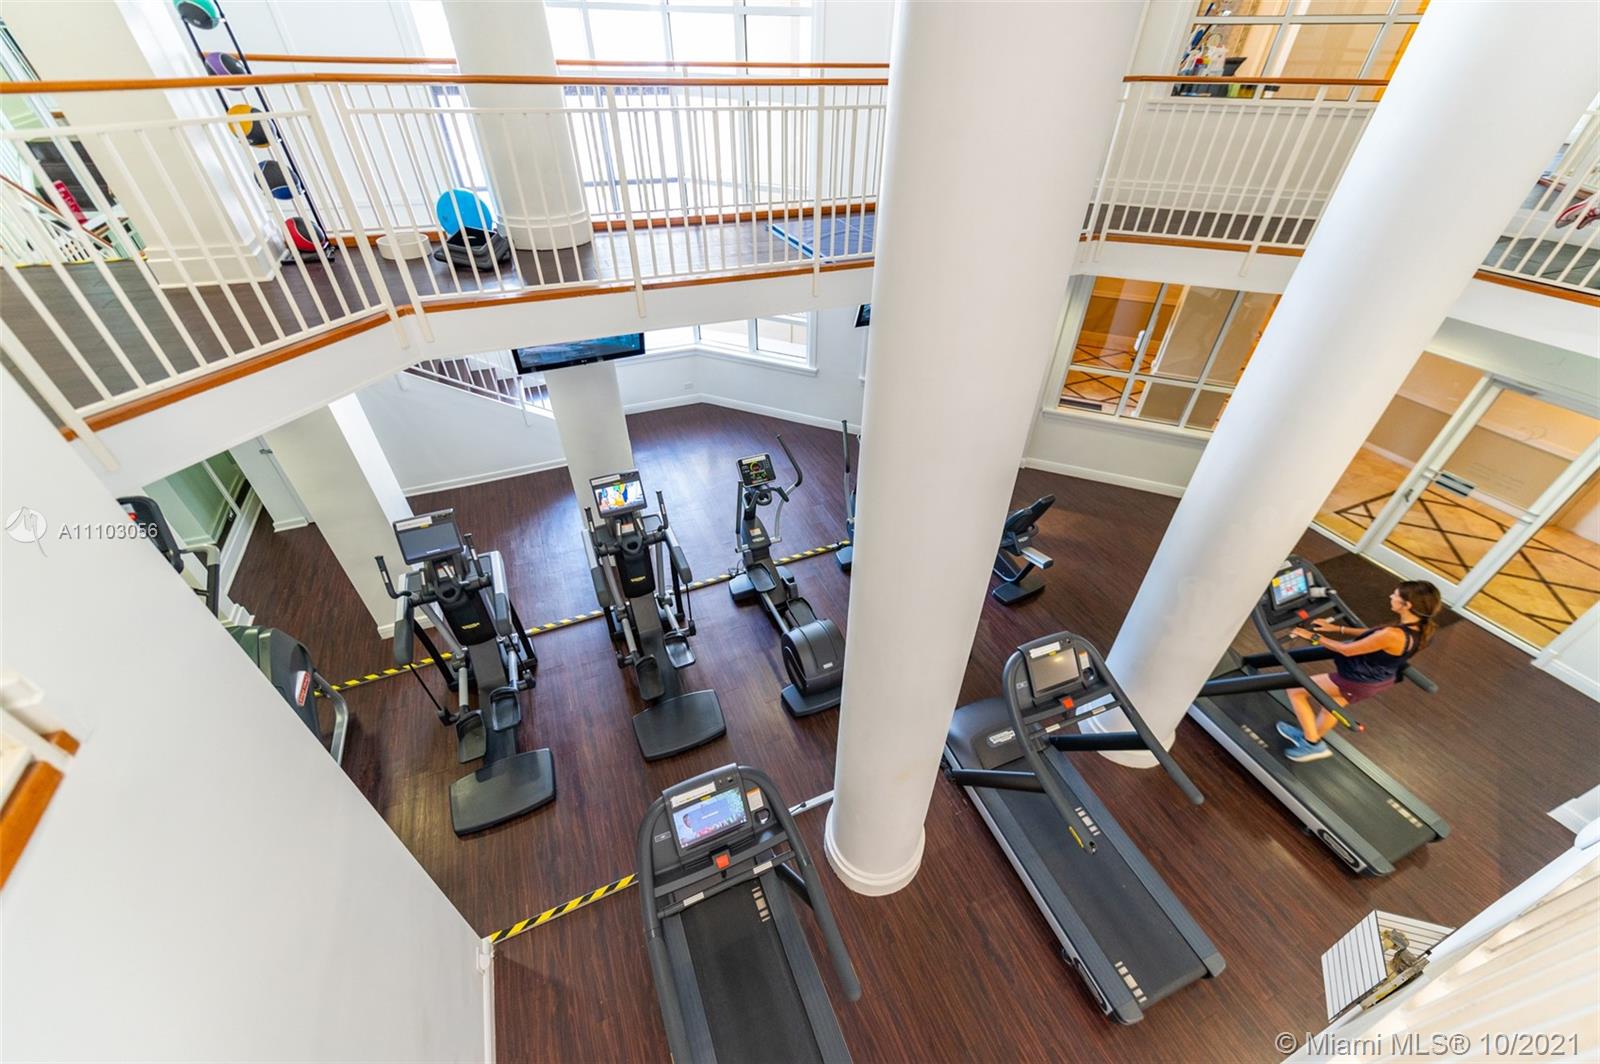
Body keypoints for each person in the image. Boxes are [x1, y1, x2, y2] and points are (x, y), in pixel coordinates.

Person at [1277, 580, 1442, 763]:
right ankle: (1311, 737)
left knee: (1296, 691)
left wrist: (1312, 636)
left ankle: (1311, 744)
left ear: (1407, 605)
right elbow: (1375, 634)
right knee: (1331, 706)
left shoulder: (1393, 635)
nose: (1391, 596)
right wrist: (1337, 628)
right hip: (1379, 678)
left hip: (1357, 681)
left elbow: (1346, 650)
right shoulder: (1422, 629)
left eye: (1395, 595)